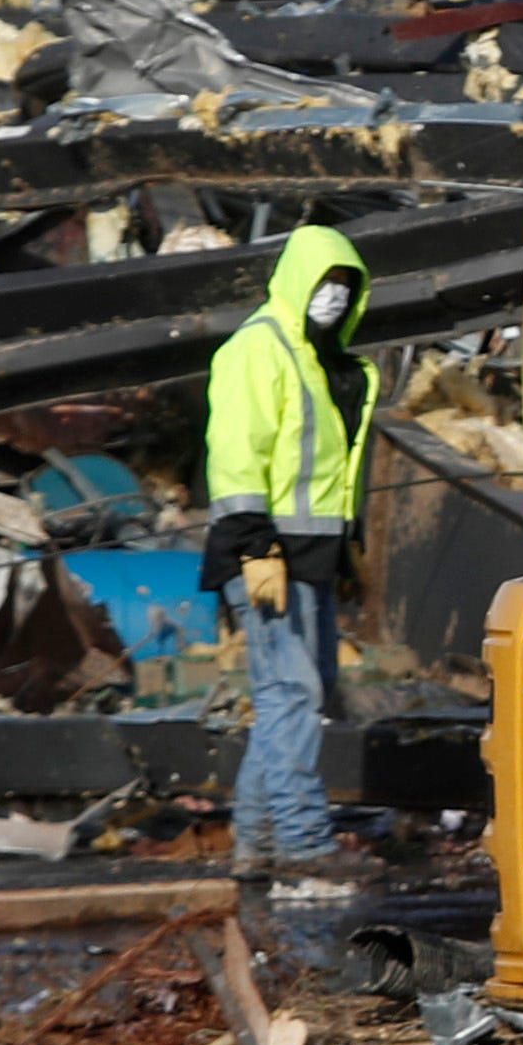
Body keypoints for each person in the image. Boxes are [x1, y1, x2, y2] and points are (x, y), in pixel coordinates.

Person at [203, 223, 373, 883]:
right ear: (298, 281)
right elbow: (237, 455)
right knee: (291, 696)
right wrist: (255, 545)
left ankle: (256, 843)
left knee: (294, 695)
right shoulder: (258, 349)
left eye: (345, 287)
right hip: (267, 552)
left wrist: (345, 553)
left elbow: (333, 471)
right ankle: (303, 844)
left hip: (313, 553)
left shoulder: (330, 363)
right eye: (325, 283)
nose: (332, 297)